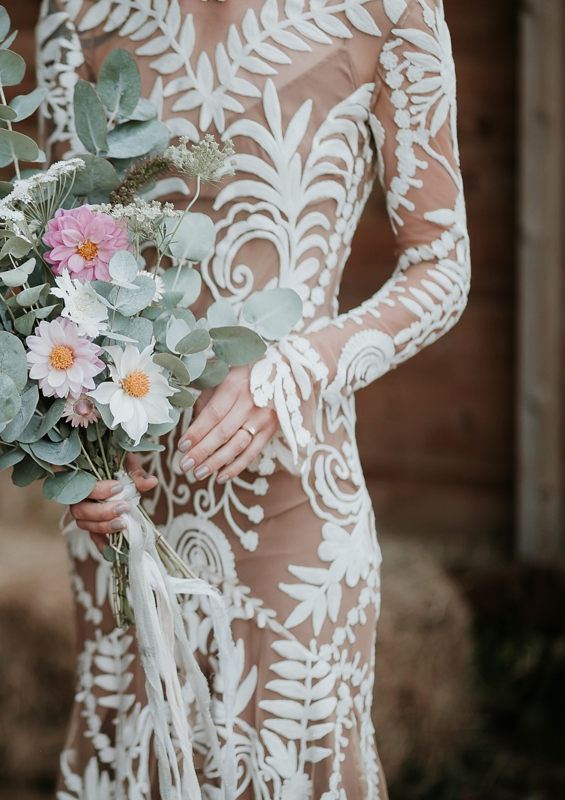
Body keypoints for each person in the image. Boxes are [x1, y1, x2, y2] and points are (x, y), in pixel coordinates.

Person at [44, 0, 469, 797]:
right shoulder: (78, 11)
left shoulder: (391, 9)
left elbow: (442, 267)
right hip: (121, 509)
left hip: (292, 499)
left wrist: (296, 371)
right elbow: (57, 250)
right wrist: (71, 442)